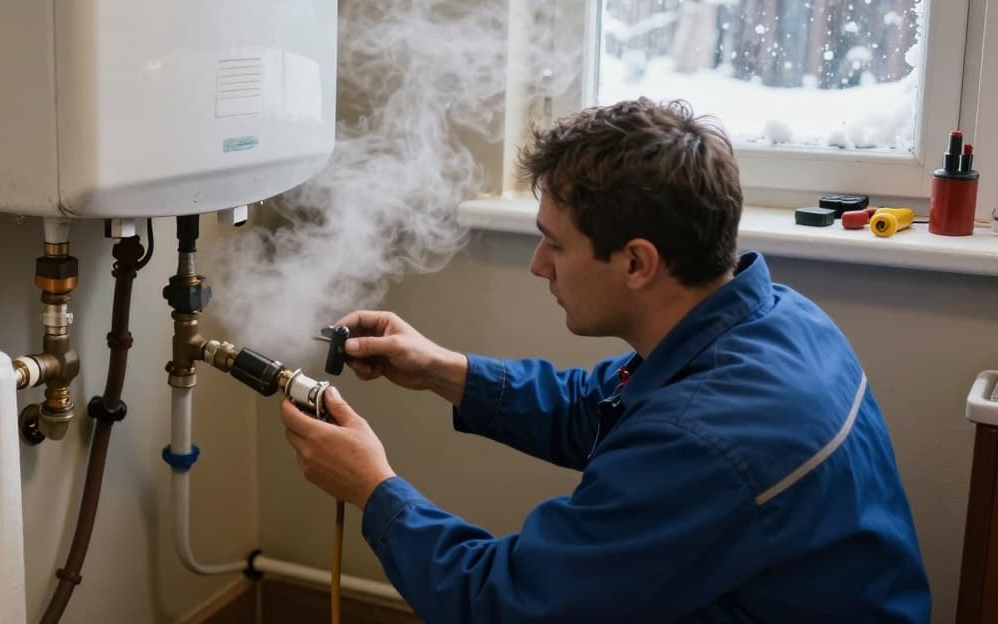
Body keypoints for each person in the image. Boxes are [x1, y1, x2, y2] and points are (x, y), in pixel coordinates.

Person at [279, 98, 930, 623]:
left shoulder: (706, 439)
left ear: (637, 262)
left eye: (554, 245)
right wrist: (443, 370)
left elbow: (510, 603)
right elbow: (603, 408)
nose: (539, 266)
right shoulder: (777, 319)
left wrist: (371, 489)